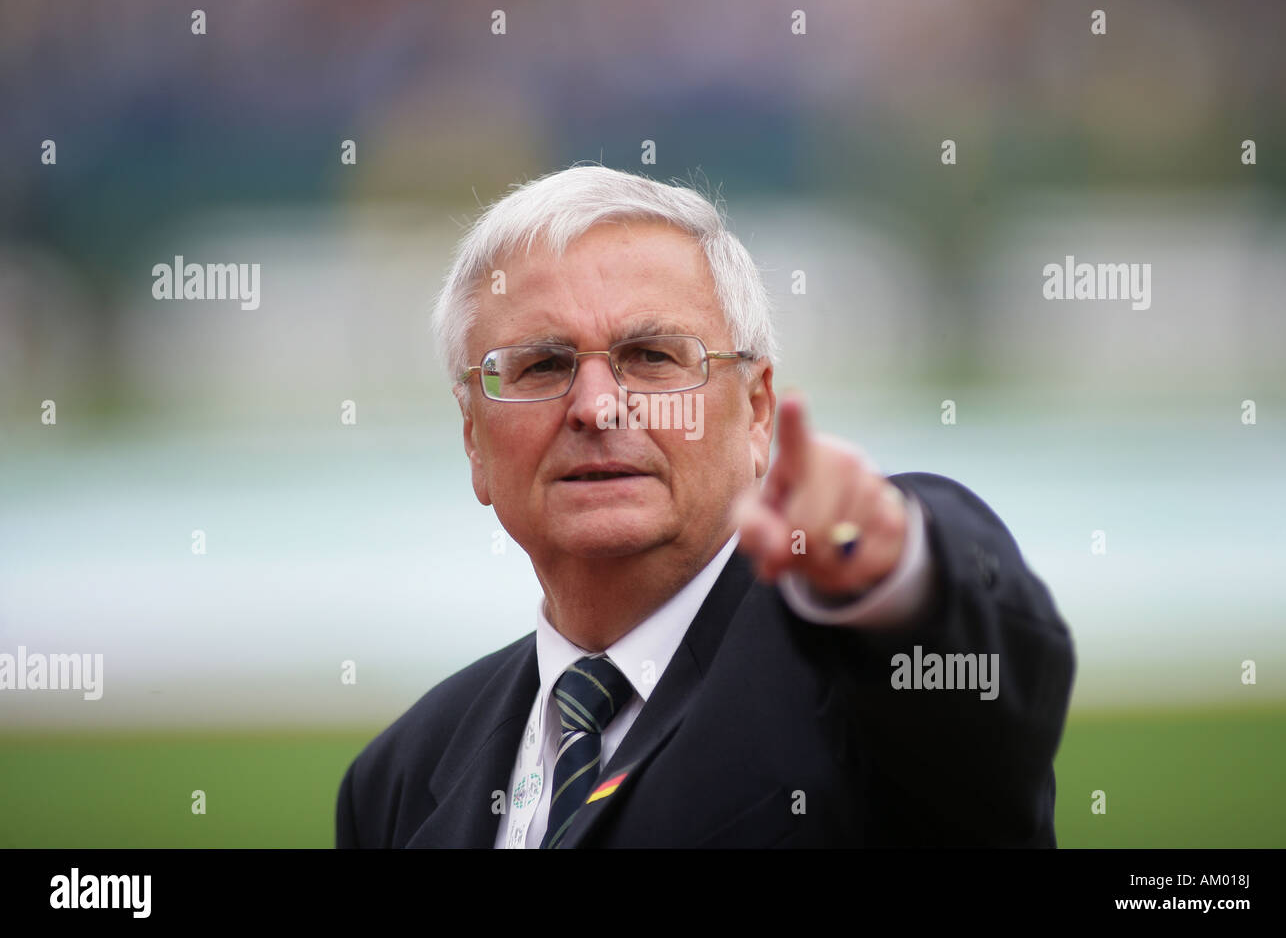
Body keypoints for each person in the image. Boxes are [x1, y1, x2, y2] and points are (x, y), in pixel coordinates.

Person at [336, 165, 1075, 848]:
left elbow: (983, 673)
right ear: (474, 439)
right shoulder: (397, 782)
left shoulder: (856, 684)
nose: (596, 407)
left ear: (757, 412)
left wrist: (895, 562)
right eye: (542, 366)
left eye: (652, 357)